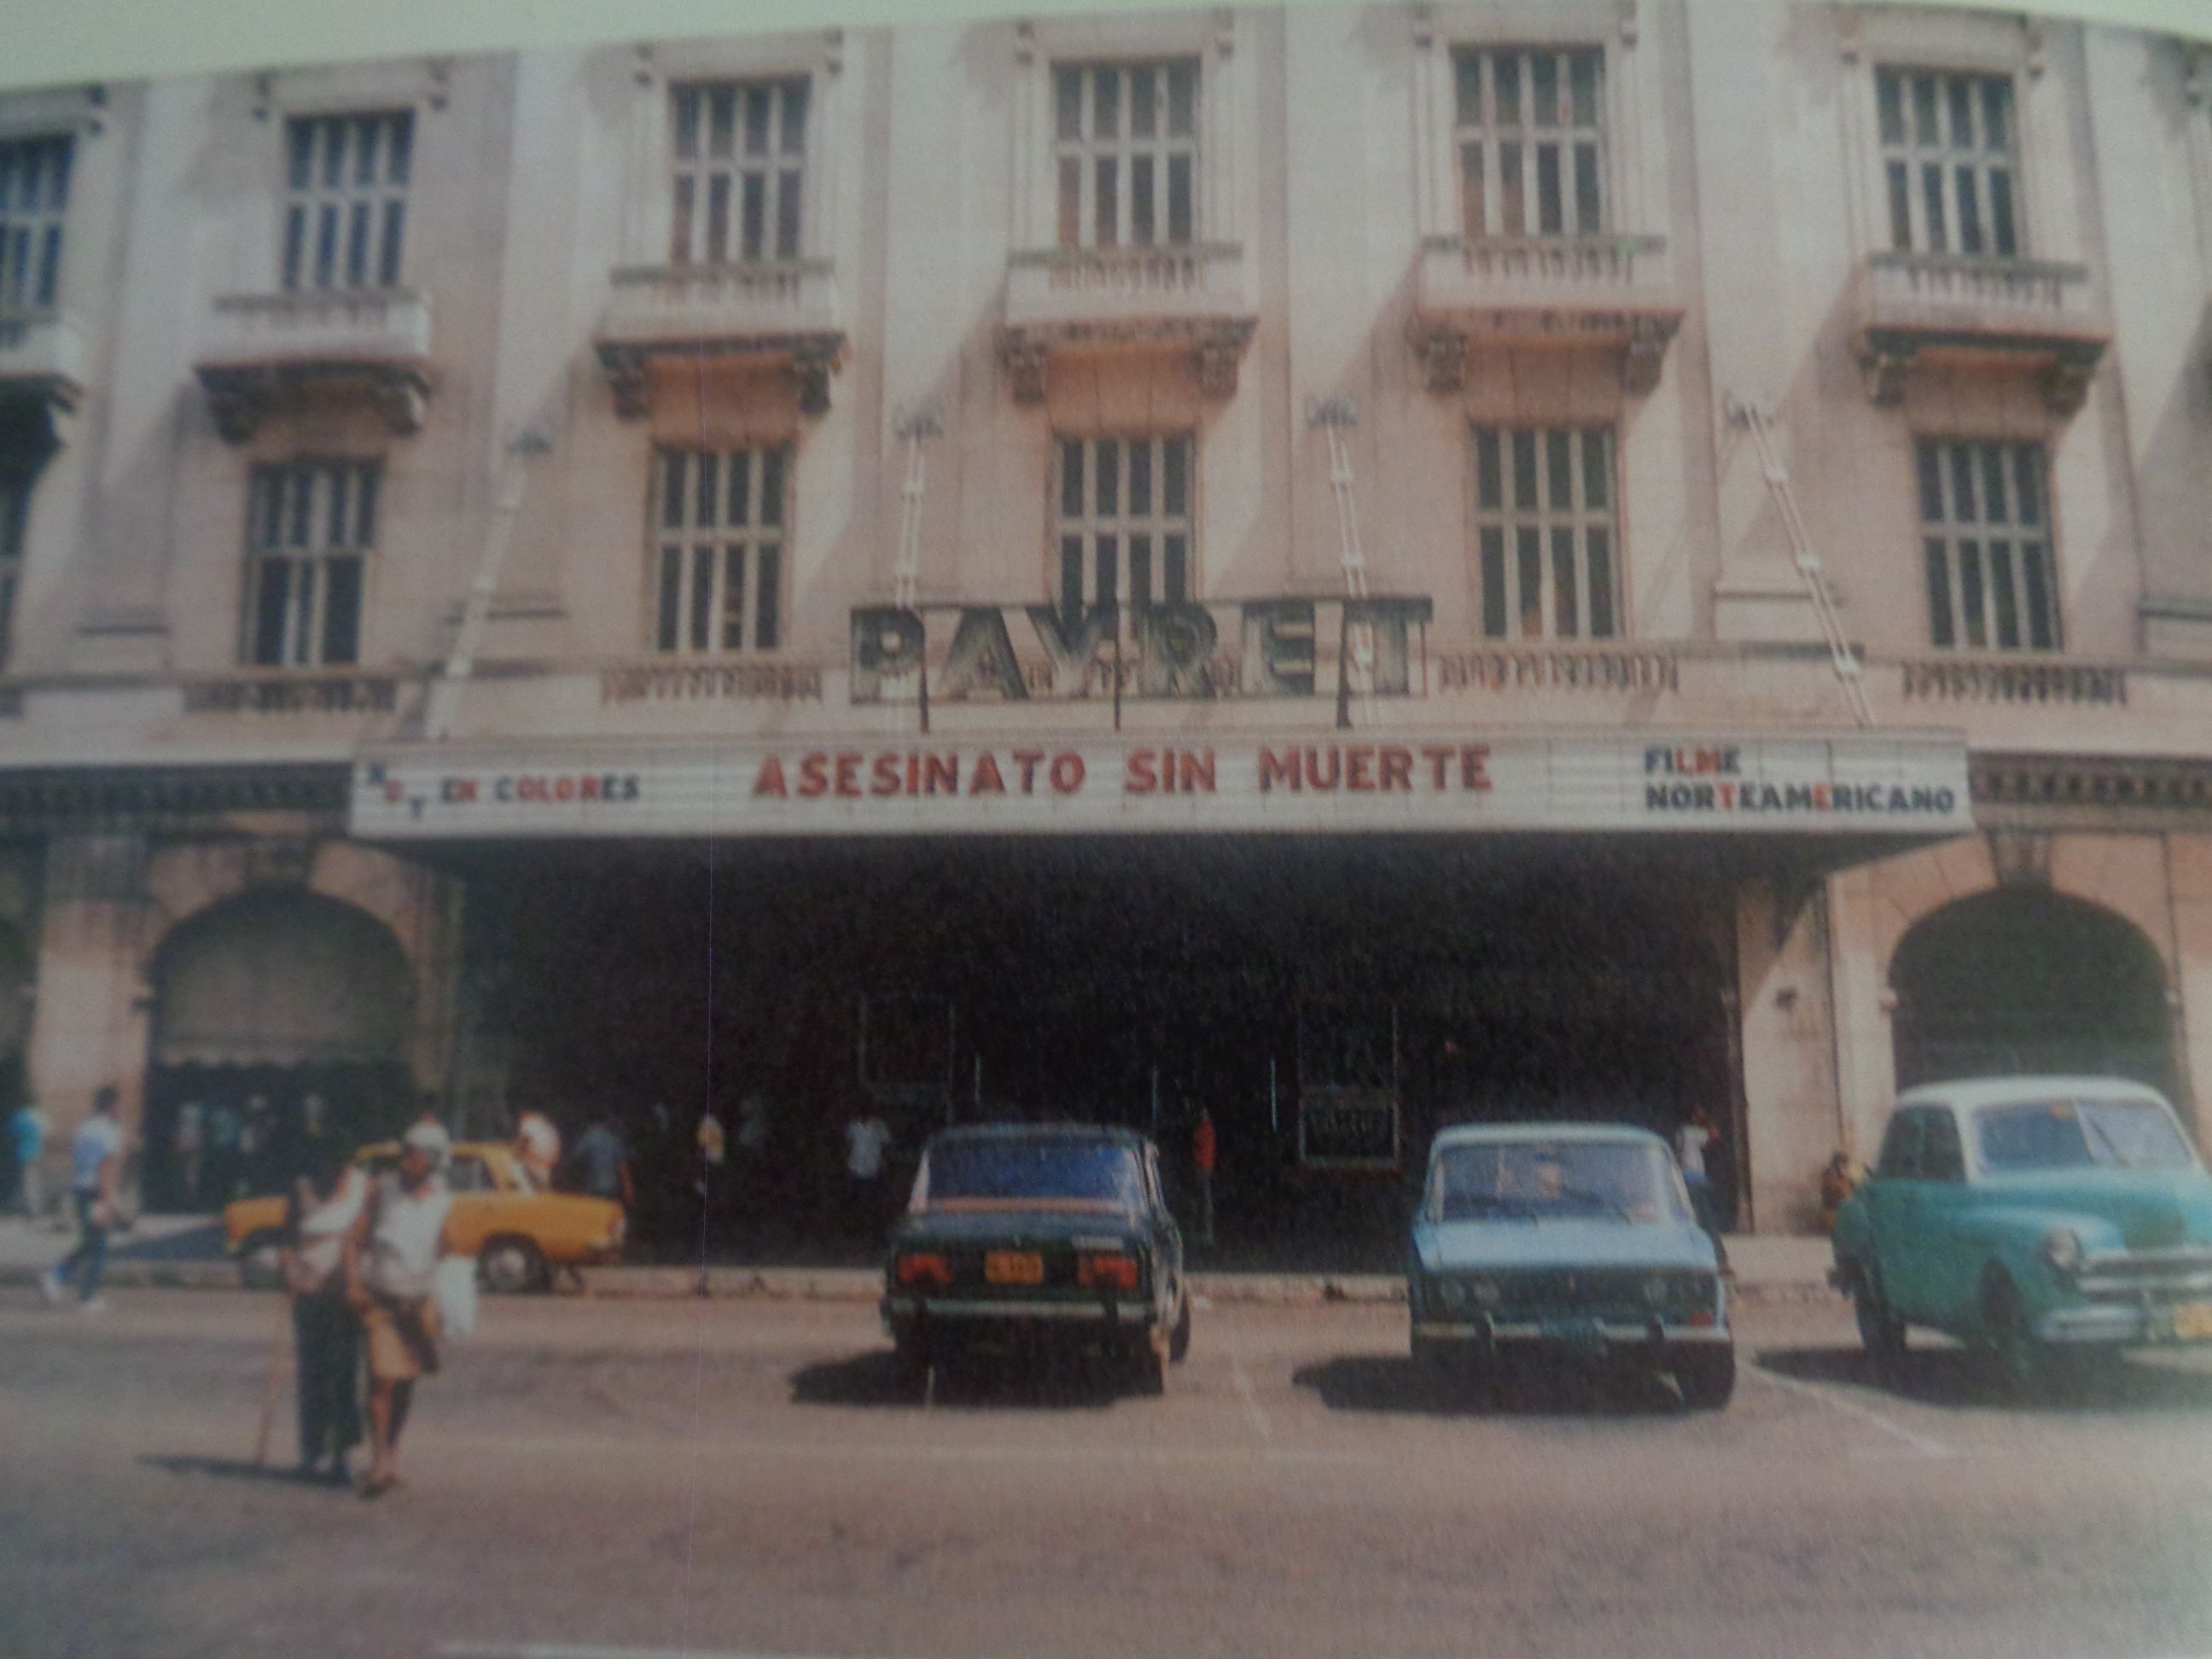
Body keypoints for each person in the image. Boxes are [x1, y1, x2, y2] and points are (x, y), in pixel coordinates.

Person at [344, 1119, 458, 1498]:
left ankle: (390, 1455)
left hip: (418, 1304)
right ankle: (379, 1459)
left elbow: (448, 1249)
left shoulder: (443, 1199)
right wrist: (353, 1282)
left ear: (434, 1160)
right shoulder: (383, 1190)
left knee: (406, 1381)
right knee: (382, 1379)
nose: (407, 1159)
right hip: (381, 1300)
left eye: (416, 1154)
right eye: (406, 1152)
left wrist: (451, 1288)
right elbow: (354, 1239)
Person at [285, 1150, 367, 1484]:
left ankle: (342, 1453)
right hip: (308, 1288)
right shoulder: (302, 1189)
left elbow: (367, 1235)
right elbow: (288, 1236)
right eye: (326, 1165)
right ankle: (311, 1451)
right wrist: (289, 1271)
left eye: (339, 1167)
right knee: (312, 1371)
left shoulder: (363, 1187)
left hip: (346, 1291)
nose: (332, 1174)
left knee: (344, 1372)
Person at [42, 1088, 124, 1313]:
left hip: (81, 1188)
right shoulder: (110, 1131)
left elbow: (78, 1159)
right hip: (98, 1191)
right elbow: (107, 1166)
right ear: (112, 1106)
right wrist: (109, 1199)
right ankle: (87, 1297)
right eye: (119, 1106)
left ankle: (56, 1275)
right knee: (100, 1246)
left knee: (90, 1242)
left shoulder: (84, 1129)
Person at [569, 1113, 633, 1210]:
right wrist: (627, 1187)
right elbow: (622, 1166)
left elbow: (575, 1159)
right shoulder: (614, 1138)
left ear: (590, 1123)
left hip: (592, 1185)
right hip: (611, 1186)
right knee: (609, 1212)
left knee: (593, 1212)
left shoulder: (587, 1137)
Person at [1676, 1110, 1718, 1234]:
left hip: (1684, 1173)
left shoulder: (1681, 1132)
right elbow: (1715, 1135)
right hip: (1695, 1175)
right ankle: (1705, 1230)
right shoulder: (1694, 1132)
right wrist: (1707, 1120)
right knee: (1702, 1207)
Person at [10, 1097, 46, 1220]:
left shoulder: (20, 1116)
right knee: (36, 1181)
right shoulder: (39, 1116)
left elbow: (13, 1132)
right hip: (38, 1151)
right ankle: (37, 1208)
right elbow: (46, 1132)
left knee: (27, 1182)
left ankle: (32, 1211)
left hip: (24, 1153)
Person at [514, 1108, 562, 1191]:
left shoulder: (529, 1122)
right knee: (543, 1190)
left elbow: (524, 1140)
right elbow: (556, 1144)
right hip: (547, 1166)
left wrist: (516, 1153)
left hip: (533, 1162)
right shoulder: (548, 1126)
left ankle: (524, 1192)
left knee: (514, 1165)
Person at [1190, 1108, 1218, 1247]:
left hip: (1201, 1166)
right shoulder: (1210, 1130)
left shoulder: (1204, 1130)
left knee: (1201, 1197)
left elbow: (1196, 1141)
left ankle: (1200, 1228)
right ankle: (1205, 1229)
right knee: (1204, 1196)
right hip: (1206, 1166)